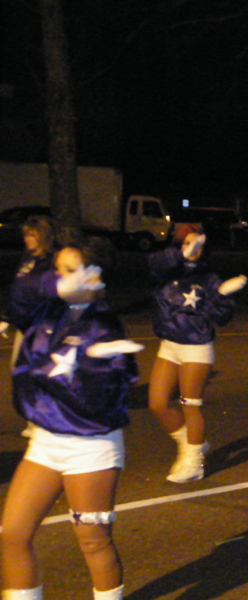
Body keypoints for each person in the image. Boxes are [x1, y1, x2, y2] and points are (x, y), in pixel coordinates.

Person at [1, 245, 142, 600]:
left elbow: (104, 401)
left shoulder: (103, 323)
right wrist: (53, 288)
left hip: (89, 446)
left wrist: (97, 367)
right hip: (46, 441)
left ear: (94, 274)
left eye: (74, 270)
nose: (64, 278)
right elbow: (18, 296)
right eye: (59, 270)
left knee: (93, 542)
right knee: (12, 535)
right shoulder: (45, 310)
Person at [148, 224, 247, 483]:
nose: (192, 249)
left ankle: (194, 464)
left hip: (196, 346)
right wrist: (179, 255)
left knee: (189, 406)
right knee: (157, 404)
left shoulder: (210, 279)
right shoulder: (167, 270)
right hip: (168, 344)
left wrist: (223, 295)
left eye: (197, 245)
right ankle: (192, 443)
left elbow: (222, 318)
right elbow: (155, 264)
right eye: (186, 244)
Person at [0, 215, 57, 368]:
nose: (26, 239)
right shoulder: (28, 258)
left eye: (31, 235)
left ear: (43, 236)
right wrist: (8, 316)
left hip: (39, 327)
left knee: (31, 370)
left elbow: (48, 295)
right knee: (16, 367)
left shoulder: (51, 262)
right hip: (23, 324)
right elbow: (18, 289)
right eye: (25, 235)